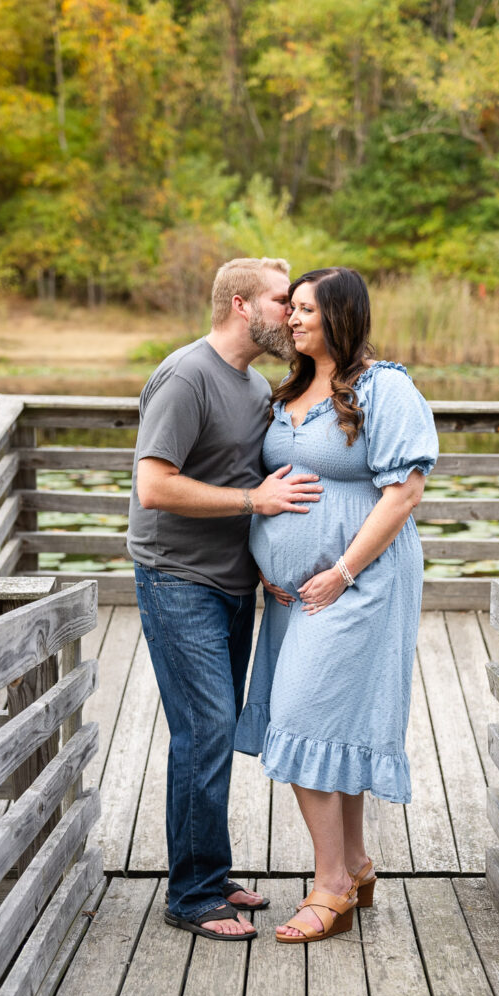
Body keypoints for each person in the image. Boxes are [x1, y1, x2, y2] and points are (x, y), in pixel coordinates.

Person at [235, 267, 439, 943]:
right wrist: (272, 552)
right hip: (296, 594)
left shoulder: (385, 388)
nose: (290, 320)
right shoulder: (290, 388)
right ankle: (352, 866)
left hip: (361, 582)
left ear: (340, 316)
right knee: (327, 725)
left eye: (304, 311)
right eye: (288, 308)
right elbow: (274, 484)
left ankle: (328, 888)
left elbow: (403, 494)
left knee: (300, 716)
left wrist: (343, 570)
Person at [127, 257, 324, 942]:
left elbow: (244, 476)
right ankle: (190, 896)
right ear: (240, 305)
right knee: (205, 730)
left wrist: (263, 557)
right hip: (177, 580)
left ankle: (208, 871)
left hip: (233, 582)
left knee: (213, 731)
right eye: (280, 300)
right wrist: (255, 500)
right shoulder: (186, 376)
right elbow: (155, 486)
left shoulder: (253, 382)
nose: (292, 312)